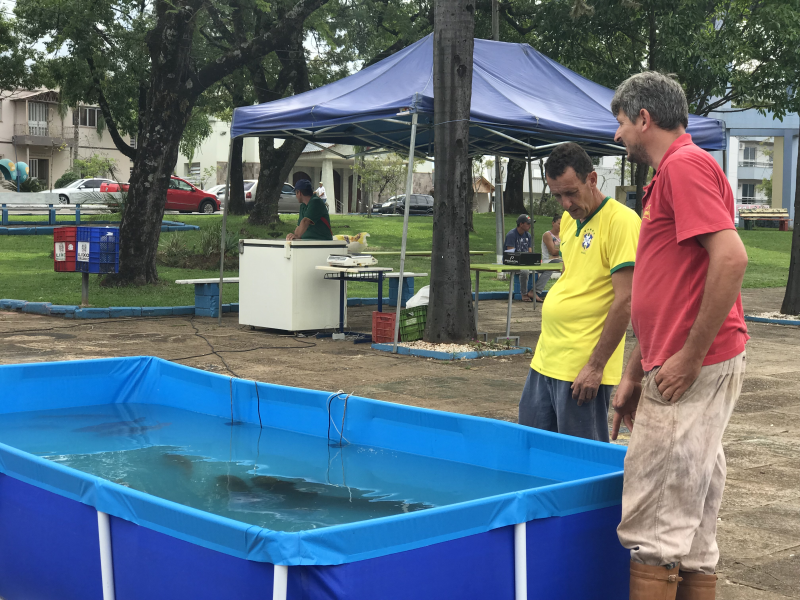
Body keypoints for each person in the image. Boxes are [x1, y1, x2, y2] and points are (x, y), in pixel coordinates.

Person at [610, 72, 749, 600]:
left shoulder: (685, 167)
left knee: (654, 527)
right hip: (678, 363)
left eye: (621, 123)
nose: (618, 135)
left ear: (644, 119)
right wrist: (631, 374)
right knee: (692, 532)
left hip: (691, 367)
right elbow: (669, 289)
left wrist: (689, 357)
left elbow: (731, 259)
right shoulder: (677, 170)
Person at [518, 142, 640, 442]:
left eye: (571, 192)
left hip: (581, 368)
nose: (565, 203)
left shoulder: (621, 222)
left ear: (592, 179)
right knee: (531, 452)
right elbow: (572, 277)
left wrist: (596, 366)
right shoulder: (571, 221)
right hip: (546, 359)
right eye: (557, 195)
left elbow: (626, 299)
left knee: (579, 461)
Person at [505, 214, 535, 302]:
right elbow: (510, 254)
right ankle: (524, 293)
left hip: (525, 261)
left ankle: (535, 291)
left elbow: (530, 251)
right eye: (528, 223)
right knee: (525, 271)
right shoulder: (511, 235)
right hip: (512, 261)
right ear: (521, 224)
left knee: (543, 269)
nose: (530, 226)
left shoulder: (528, 235)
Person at [533, 213, 563, 302]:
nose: (561, 226)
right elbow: (553, 251)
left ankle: (562, 292)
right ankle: (535, 291)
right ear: (553, 223)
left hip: (560, 260)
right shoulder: (548, 235)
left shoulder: (563, 235)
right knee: (559, 265)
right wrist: (566, 250)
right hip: (549, 260)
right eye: (559, 223)